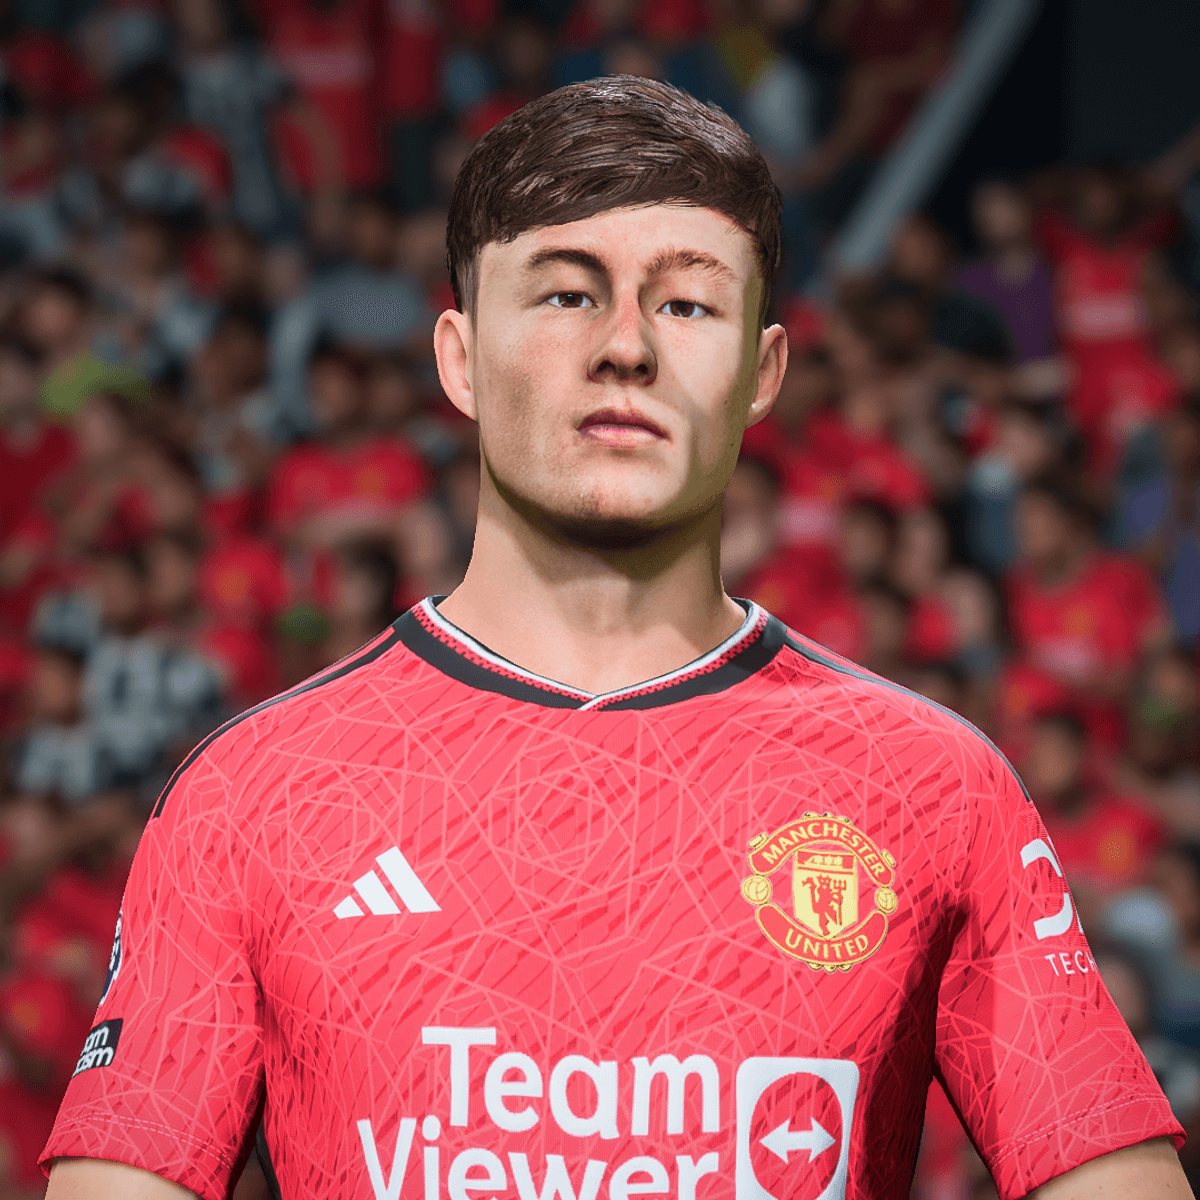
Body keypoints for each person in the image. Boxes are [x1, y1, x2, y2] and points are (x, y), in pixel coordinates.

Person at [41, 78, 1188, 1200]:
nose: (626, 347)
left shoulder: (934, 786)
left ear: (761, 374)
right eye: (564, 294)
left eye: (686, 304)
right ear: (459, 359)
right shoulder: (250, 797)